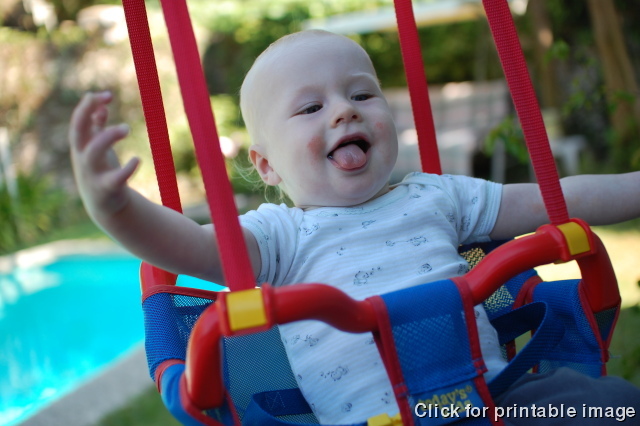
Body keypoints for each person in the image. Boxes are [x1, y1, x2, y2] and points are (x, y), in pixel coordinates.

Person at [69, 29, 640, 424]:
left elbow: (555, 199)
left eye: (361, 93)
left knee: (610, 406)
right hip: (370, 421)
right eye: (310, 108)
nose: (345, 109)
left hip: (495, 400)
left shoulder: (436, 195)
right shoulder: (278, 237)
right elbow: (189, 248)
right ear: (267, 166)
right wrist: (113, 208)